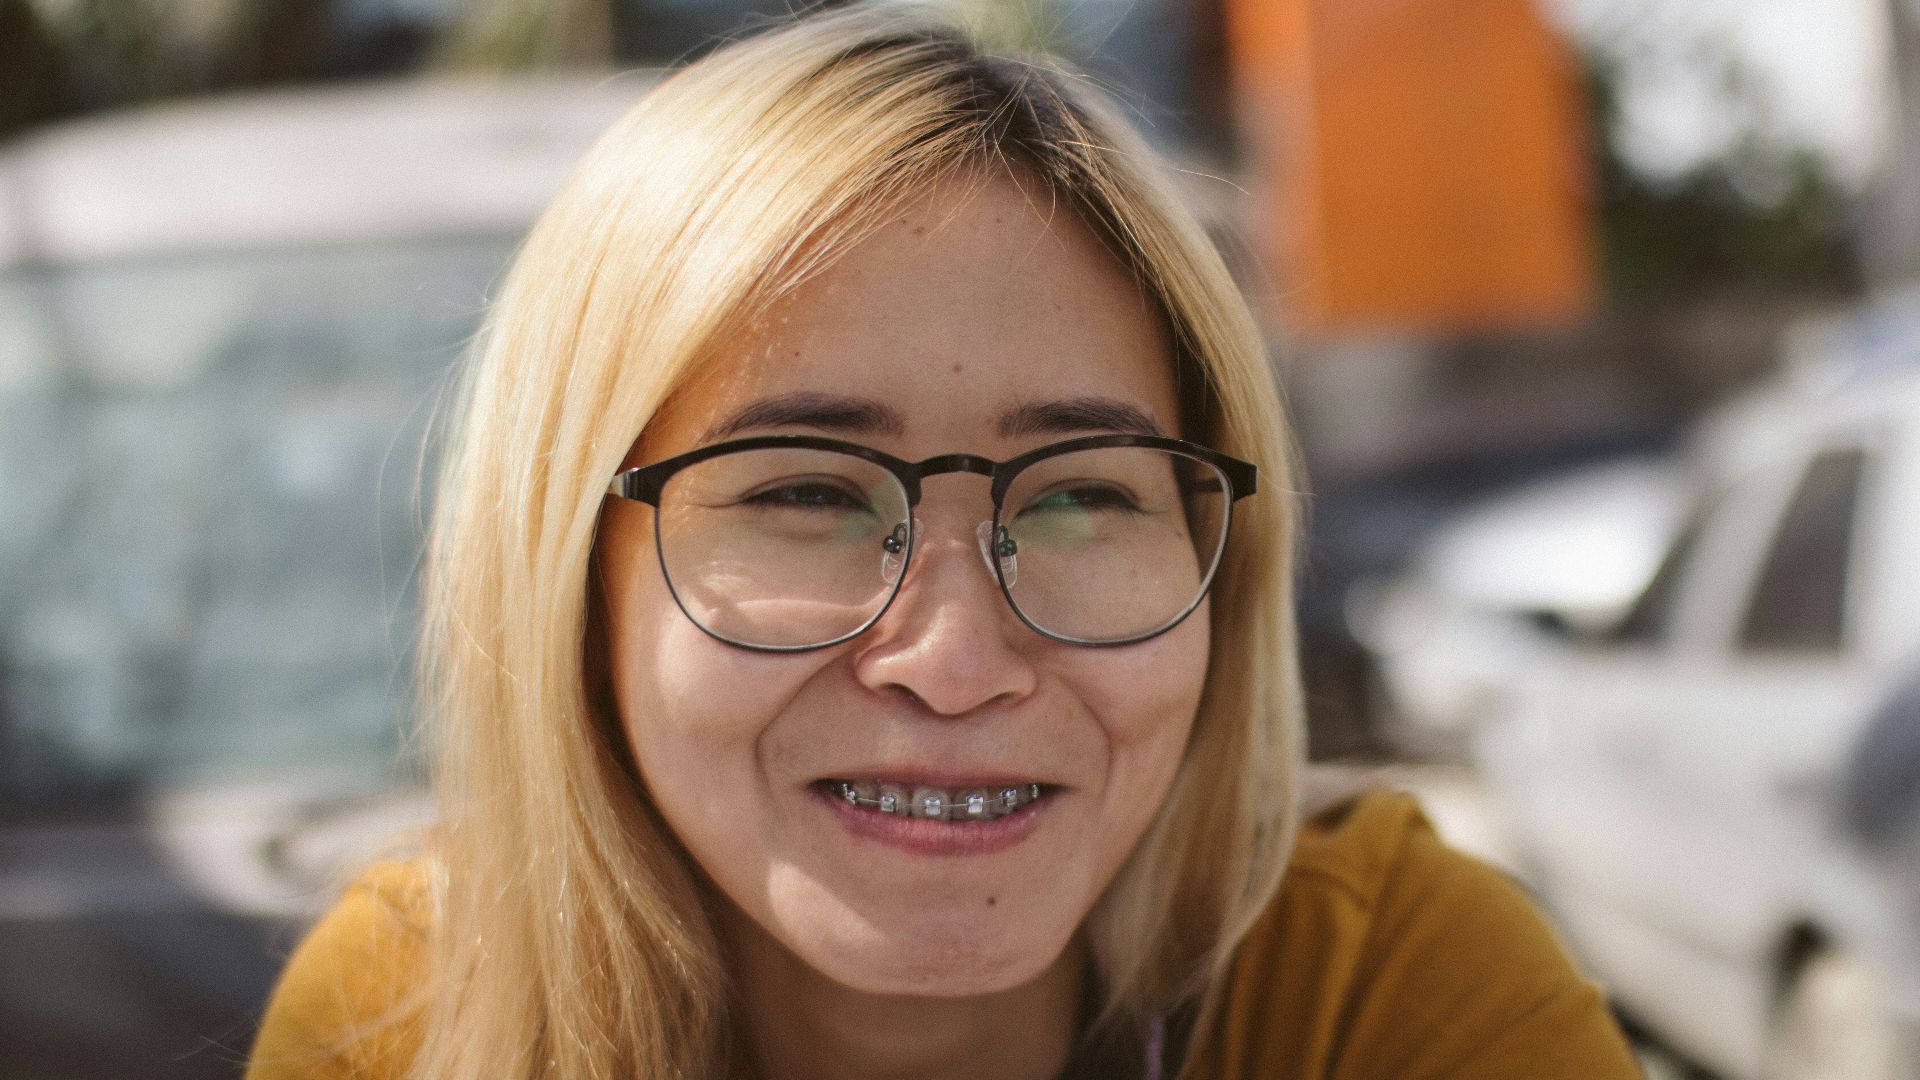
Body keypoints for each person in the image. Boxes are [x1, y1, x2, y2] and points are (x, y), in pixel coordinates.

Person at [246, 6, 1642, 1078]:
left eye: (1083, 495)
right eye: (804, 495)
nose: (957, 659)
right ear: (568, 574)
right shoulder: (407, 1018)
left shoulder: (1384, 993)